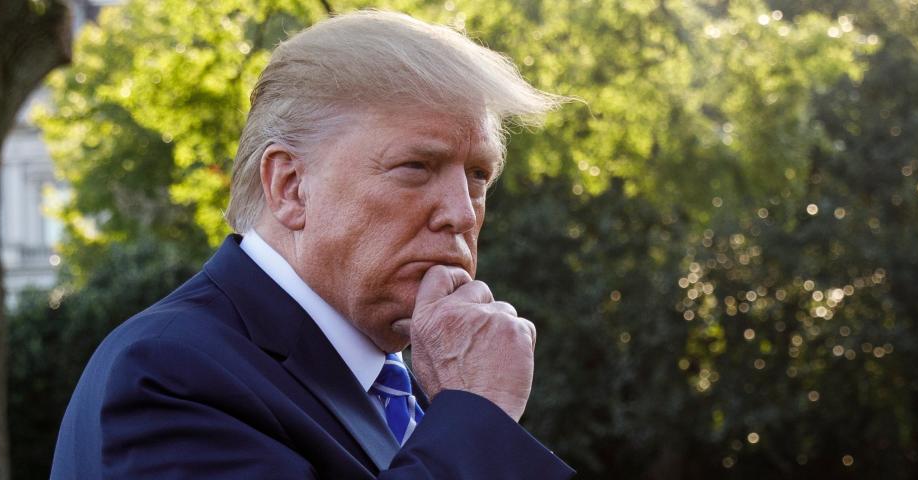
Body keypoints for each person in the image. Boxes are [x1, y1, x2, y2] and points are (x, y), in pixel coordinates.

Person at [51, 10, 574, 479]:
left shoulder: (413, 388)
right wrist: (473, 416)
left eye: (478, 176)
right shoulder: (168, 372)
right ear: (291, 186)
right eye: (416, 167)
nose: (462, 212)